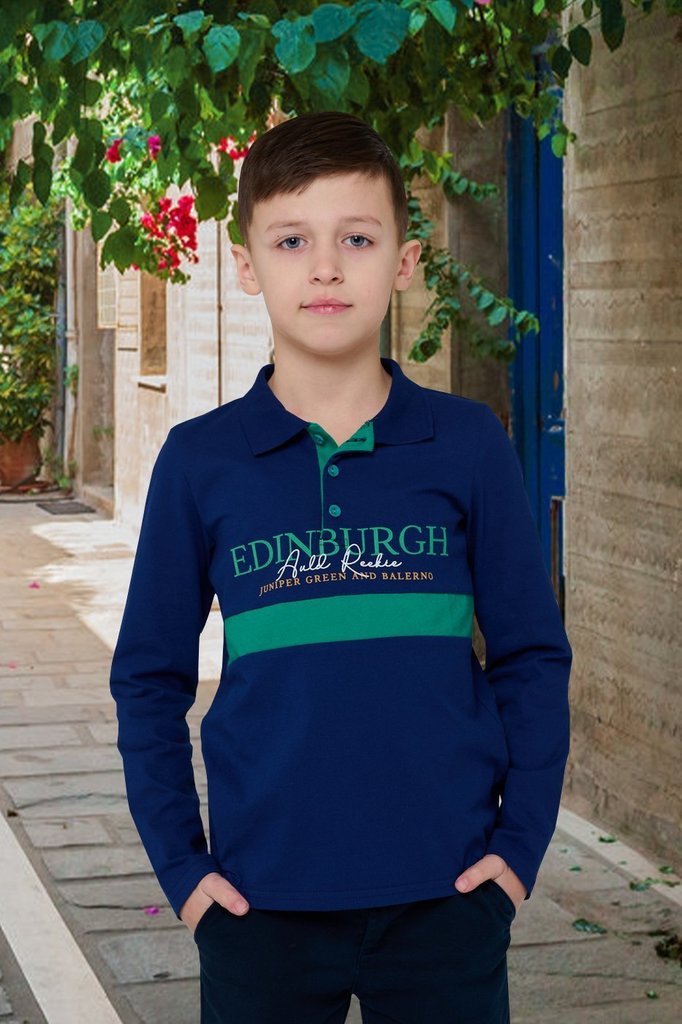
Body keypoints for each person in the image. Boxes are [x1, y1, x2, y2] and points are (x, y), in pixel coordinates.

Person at [109, 110, 572, 1023]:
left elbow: (530, 657)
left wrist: (516, 854)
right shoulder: (202, 461)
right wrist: (186, 875)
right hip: (258, 908)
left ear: (404, 260)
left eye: (357, 239)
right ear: (247, 265)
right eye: (292, 241)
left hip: (448, 900)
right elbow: (148, 679)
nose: (325, 267)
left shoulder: (467, 445)